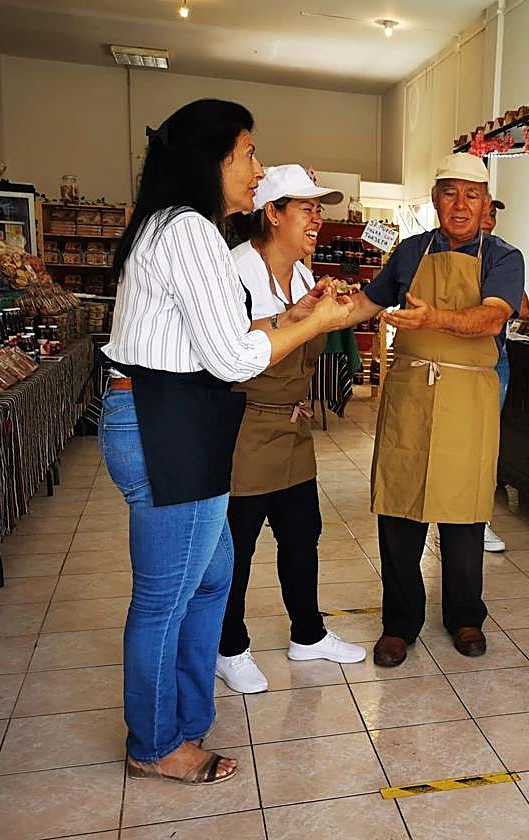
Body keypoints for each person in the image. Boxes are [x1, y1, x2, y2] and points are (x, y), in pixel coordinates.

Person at [100, 100, 352, 786]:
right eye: (247, 153)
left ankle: (186, 718)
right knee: (164, 598)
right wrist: (317, 323)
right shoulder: (187, 230)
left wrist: (295, 312)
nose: (257, 169)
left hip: (182, 417)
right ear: (209, 160)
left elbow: (219, 333)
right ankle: (155, 742)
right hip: (165, 421)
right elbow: (234, 358)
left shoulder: (179, 227)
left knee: (211, 579)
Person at [334, 153, 524, 667]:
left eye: (471, 195)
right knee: (399, 508)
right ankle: (399, 623)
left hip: (468, 397)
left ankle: (465, 615)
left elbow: (491, 319)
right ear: (436, 199)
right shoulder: (410, 251)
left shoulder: (504, 258)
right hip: (411, 395)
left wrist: (432, 318)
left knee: (464, 515)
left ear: (485, 204)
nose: (460, 205)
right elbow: (367, 304)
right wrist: (322, 309)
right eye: (449, 193)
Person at [213, 164, 367, 695]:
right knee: (237, 545)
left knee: (302, 536)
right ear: (272, 214)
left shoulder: (304, 278)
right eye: (306, 208)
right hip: (246, 427)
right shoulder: (234, 271)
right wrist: (300, 320)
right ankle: (228, 646)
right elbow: (230, 346)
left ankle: (309, 633)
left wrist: (335, 308)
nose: (317, 219)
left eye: (319, 209)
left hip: (294, 424)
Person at [479, 196, 529, 552]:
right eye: (484, 210)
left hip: (494, 358)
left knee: (485, 441)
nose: (488, 217)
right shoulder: (438, 251)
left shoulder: (503, 257)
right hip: (451, 362)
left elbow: (522, 307)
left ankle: (478, 520)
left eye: (493, 213)